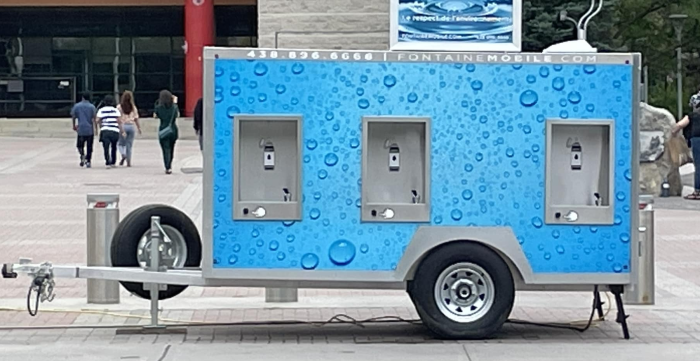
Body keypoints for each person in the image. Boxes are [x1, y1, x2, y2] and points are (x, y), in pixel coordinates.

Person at [673, 93, 700, 200]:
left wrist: (672, 133)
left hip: (697, 140)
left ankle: (698, 191)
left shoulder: (692, 116)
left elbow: (680, 125)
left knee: (699, 166)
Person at [154, 90, 179, 174]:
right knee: (172, 148)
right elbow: (177, 115)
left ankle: (167, 166)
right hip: (173, 129)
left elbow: (155, 116)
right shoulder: (174, 107)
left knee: (165, 149)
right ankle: (170, 165)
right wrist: (175, 103)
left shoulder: (158, 107)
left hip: (163, 129)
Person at [71, 92, 97, 168]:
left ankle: (82, 155)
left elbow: (73, 116)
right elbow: (94, 118)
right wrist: (96, 129)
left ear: (82, 97)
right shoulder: (92, 107)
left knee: (79, 145)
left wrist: (73, 125)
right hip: (89, 129)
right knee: (89, 146)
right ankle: (88, 161)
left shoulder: (77, 106)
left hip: (81, 128)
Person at [96, 95, 122, 169]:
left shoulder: (101, 110)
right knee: (114, 146)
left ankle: (107, 161)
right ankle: (113, 161)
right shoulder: (116, 110)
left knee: (106, 147)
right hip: (114, 130)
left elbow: (97, 120)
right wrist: (122, 131)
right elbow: (119, 121)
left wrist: (101, 125)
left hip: (105, 130)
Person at [117, 91, 141, 167]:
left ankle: (123, 154)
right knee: (129, 145)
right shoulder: (133, 107)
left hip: (123, 126)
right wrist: (139, 127)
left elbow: (118, 119)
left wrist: (120, 128)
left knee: (120, 143)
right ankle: (129, 162)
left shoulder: (119, 107)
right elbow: (136, 118)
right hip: (131, 126)